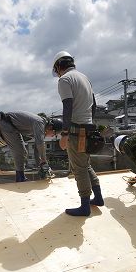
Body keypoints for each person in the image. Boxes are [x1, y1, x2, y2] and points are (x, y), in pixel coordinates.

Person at [51, 51, 103, 216]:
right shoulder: (84, 78)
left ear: (59, 66)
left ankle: (85, 207)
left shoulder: (65, 80)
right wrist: (90, 123)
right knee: (85, 165)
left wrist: (64, 133)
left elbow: (67, 107)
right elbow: (94, 104)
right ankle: (99, 198)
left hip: (76, 131)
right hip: (88, 128)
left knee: (78, 169)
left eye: (57, 70)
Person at [0, 111, 54, 181]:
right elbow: (40, 142)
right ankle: (20, 178)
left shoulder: (41, 125)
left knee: (23, 152)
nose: (53, 136)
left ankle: (20, 177)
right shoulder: (40, 123)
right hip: (6, 124)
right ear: (51, 128)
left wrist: (41, 164)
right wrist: (44, 160)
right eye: (54, 134)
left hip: (10, 124)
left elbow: (37, 146)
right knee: (20, 152)